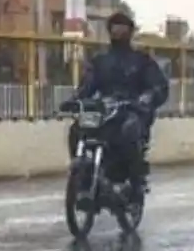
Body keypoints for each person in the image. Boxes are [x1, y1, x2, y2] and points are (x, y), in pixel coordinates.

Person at [59, 11, 169, 192]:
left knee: (130, 130)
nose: (118, 32)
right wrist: (75, 100)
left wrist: (147, 98)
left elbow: (158, 86)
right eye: (115, 28)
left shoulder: (142, 61)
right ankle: (82, 169)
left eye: (122, 28)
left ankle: (135, 180)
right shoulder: (100, 61)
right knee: (77, 128)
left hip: (132, 110)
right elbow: (87, 85)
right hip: (105, 110)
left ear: (130, 32)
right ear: (109, 31)